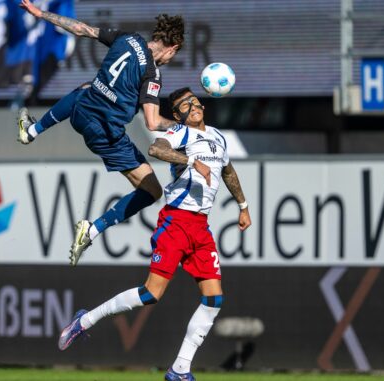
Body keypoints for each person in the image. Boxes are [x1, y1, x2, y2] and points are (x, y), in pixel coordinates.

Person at [56, 87, 252, 381]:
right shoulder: (181, 133)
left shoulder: (218, 137)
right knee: (151, 294)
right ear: (177, 115)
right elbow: (156, 150)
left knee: (213, 299)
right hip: (176, 221)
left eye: (195, 101)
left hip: (201, 227)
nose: (194, 106)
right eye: (186, 105)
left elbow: (228, 172)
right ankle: (83, 321)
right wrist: (189, 161)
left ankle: (180, 369)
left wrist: (243, 205)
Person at [17, 0, 186, 266]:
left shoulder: (127, 38)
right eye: (173, 55)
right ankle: (92, 230)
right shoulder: (152, 75)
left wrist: (41, 14)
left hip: (81, 113)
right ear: (172, 48)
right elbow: (152, 123)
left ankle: (32, 131)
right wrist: (179, 126)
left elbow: (81, 29)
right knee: (152, 190)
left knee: (88, 86)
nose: (169, 60)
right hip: (105, 134)